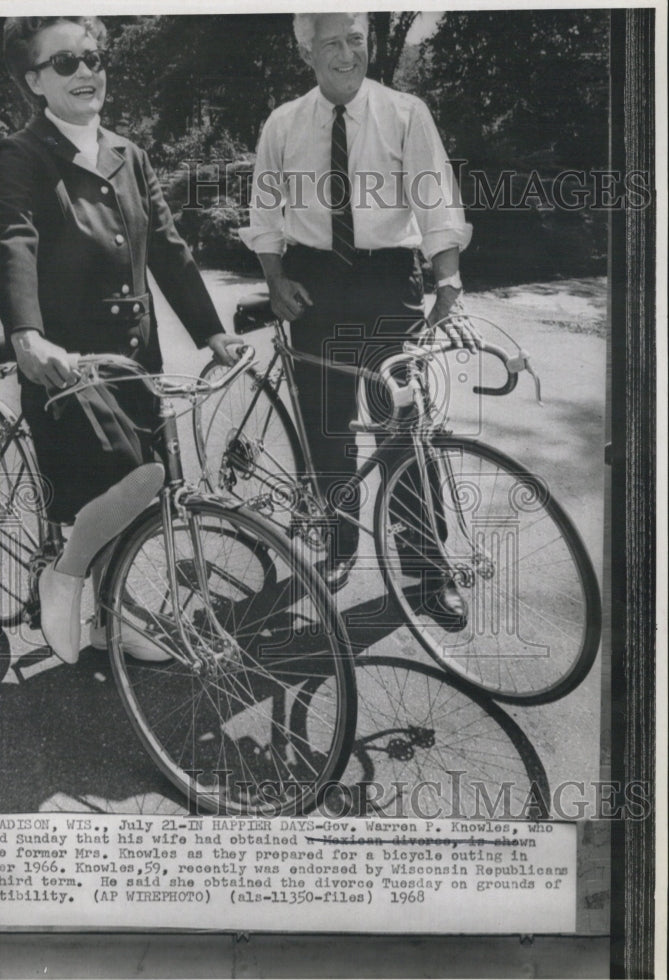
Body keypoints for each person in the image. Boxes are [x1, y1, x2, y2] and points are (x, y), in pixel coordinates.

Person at [0, 16, 242, 663]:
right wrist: (26, 335)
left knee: (138, 496)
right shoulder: (23, 153)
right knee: (128, 480)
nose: (86, 72)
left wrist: (212, 331)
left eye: (93, 58)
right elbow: (14, 238)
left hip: (134, 357)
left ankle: (106, 618)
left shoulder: (129, 153)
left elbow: (168, 249)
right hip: (67, 363)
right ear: (34, 81)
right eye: (66, 62)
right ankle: (64, 576)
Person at [240, 11, 478, 626]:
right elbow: (265, 209)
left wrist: (446, 275)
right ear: (307, 52)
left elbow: (435, 198)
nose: (347, 55)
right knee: (327, 429)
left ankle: (428, 572)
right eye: (331, 44)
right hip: (312, 286)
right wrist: (276, 280)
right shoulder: (283, 124)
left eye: (356, 41)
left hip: (385, 283)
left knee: (403, 427)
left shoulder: (405, 113)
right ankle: (340, 542)